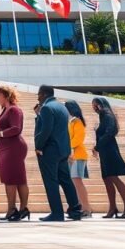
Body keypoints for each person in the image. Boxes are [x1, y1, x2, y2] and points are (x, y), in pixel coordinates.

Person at [34, 85, 82, 222]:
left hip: (50, 151)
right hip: (63, 150)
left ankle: (56, 212)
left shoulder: (47, 108)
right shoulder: (61, 107)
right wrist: (38, 115)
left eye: (38, 94)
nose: (37, 97)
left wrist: (38, 146)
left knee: (51, 182)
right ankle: (75, 210)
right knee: (66, 180)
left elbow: (46, 130)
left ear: (43, 94)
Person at [0, 87, 28, 221]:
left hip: (13, 148)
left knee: (14, 179)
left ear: (6, 96)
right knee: (12, 179)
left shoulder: (14, 109)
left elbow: (16, 128)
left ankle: (15, 209)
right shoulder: (6, 110)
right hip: (6, 148)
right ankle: (17, 209)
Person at [91, 97, 125, 218]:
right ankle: (112, 208)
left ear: (100, 105)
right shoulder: (103, 116)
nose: (94, 108)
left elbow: (110, 133)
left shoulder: (108, 116)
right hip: (105, 151)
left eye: (95, 105)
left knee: (114, 178)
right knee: (107, 179)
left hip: (110, 151)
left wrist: (97, 146)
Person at [64, 101, 92, 218]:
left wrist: (67, 147)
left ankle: (87, 209)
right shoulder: (70, 122)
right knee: (75, 183)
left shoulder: (77, 121)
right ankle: (80, 207)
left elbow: (78, 139)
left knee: (77, 183)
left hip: (78, 156)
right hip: (71, 156)